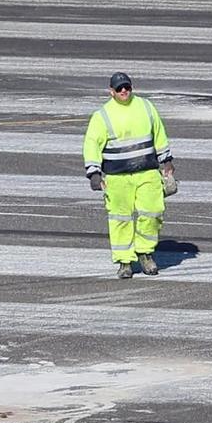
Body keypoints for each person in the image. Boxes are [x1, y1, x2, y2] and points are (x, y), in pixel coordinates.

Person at [83, 72, 174, 279]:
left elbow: (159, 134)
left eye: (127, 87)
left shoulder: (146, 107)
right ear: (111, 92)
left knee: (153, 212)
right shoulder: (102, 115)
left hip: (148, 173)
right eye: (119, 88)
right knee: (120, 218)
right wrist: (94, 173)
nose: (124, 91)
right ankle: (125, 262)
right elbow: (92, 144)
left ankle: (145, 253)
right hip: (117, 178)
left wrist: (167, 161)